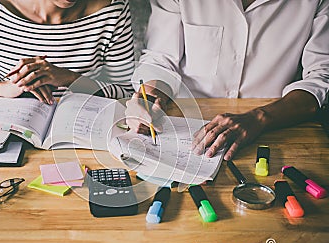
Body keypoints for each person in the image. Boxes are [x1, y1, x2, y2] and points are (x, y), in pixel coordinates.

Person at [125, 0, 329, 161]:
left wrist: (260, 117)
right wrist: (150, 97)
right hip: (186, 125)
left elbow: (320, 78)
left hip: (276, 125)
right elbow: (160, 60)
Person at [0, 0, 135, 106]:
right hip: (11, 135)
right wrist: (2, 89)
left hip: (83, 135)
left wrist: (71, 79)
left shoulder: (113, 10)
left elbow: (127, 93)